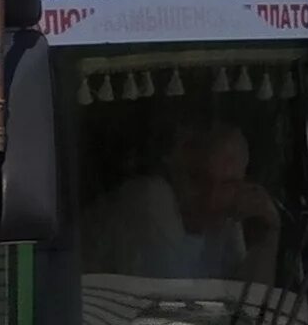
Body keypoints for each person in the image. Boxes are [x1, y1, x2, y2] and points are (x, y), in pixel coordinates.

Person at [83, 118, 282, 284]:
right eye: (197, 180)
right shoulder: (148, 200)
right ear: (173, 171)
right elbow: (173, 314)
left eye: (228, 184)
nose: (211, 199)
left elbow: (248, 316)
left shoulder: (226, 219)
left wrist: (266, 242)